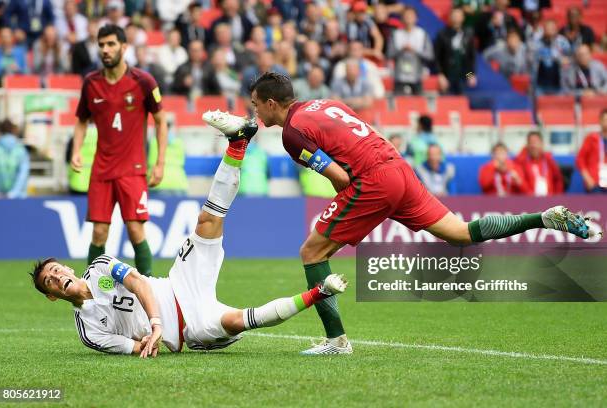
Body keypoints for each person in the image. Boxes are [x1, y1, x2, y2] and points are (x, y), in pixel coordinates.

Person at [248, 71, 599, 354]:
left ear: (271, 102)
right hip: (398, 167)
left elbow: (339, 177)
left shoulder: (292, 134)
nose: (254, 113)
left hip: (374, 179)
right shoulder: (327, 103)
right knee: (459, 233)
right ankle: (543, 217)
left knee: (312, 251)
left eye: (255, 105)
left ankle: (336, 341)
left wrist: (360, 205)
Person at [30, 120, 348, 356]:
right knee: (241, 320)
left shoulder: (99, 267)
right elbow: (138, 347)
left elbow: (138, 283)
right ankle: (319, 293)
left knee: (207, 220)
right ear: (52, 296)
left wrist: (155, 323)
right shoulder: (89, 332)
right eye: (50, 281)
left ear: (68, 269)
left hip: (179, 281)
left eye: (56, 270)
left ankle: (238, 142)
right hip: (189, 328)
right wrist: (150, 338)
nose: (56, 277)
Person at [70, 24, 168, 277]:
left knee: (135, 229)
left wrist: (159, 163)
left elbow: (160, 120)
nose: (105, 49)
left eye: (111, 44)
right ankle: (92, 289)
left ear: (124, 47)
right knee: (99, 232)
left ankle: (147, 288)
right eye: (101, 45)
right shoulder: (90, 83)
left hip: (133, 169)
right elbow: (81, 119)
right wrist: (77, 150)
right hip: (101, 170)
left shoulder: (143, 81)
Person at [389, 6, 434, 95]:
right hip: (400, 76)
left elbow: (430, 55)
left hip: (416, 76)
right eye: (406, 15)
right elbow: (389, 54)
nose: (408, 18)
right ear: (401, 18)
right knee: (399, 105)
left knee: (418, 105)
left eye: (411, 15)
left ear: (416, 18)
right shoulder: (396, 34)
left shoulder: (422, 34)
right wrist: (401, 50)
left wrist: (414, 50)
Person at [434, 8, 477, 95]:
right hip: (447, 75)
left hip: (462, 76)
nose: (456, 18)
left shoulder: (468, 34)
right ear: (450, 17)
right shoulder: (442, 34)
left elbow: (470, 58)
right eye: (454, 15)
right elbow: (436, 56)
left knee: (462, 99)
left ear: (463, 18)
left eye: (459, 15)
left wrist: (470, 75)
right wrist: (440, 75)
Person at [515, 131, 564, 196]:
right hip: (529, 201)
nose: (533, 146)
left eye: (536, 142)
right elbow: (520, 183)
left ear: (542, 144)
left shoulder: (549, 160)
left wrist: (557, 198)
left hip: (550, 201)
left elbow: (558, 180)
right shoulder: (522, 162)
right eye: (531, 143)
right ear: (527, 145)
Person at [0, 119, 29, 199]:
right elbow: (23, 175)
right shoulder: (20, 150)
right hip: (18, 198)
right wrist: (13, 194)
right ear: (13, 131)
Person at [576, 109, 607, 193]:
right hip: (595, 184)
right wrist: (587, 178)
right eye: (605, 120)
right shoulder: (592, 138)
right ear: (600, 121)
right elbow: (580, 159)